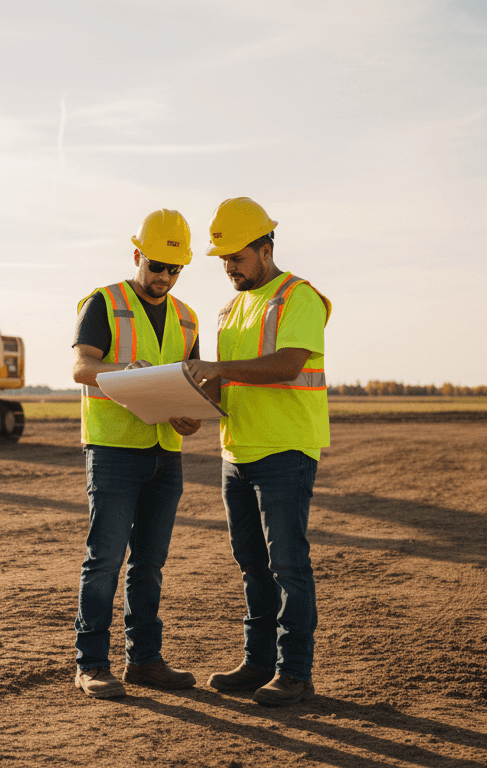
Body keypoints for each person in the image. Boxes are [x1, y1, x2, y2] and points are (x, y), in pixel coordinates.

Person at [183, 197, 331, 706]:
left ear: (265, 249)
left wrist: (219, 370)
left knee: (288, 565)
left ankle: (295, 673)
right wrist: (186, 403)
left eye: (237, 257)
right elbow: (225, 385)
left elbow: (288, 364)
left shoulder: (298, 297)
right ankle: (258, 662)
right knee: (251, 564)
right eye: (223, 259)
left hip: (285, 449)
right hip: (237, 451)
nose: (229, 267)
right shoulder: (230, 308)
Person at [69, 209, 204, 699]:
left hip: (166, 452)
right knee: (105, 560)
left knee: (149, 564)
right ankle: (91, 664)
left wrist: (192, 415)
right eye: (156, 266)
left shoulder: (187, 317)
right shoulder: (104, 302)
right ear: (137, 256)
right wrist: (124, 371)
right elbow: (81, 367)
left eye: (174, 269)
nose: (164, 277)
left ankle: (144, 661)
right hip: (114, 451)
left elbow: (191, 380)